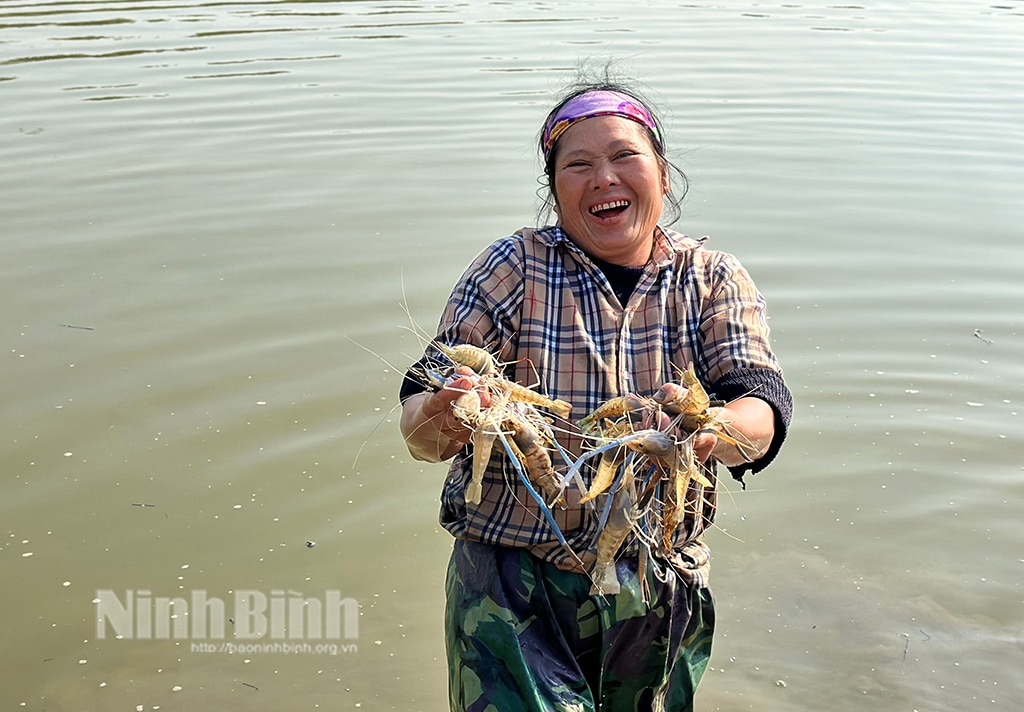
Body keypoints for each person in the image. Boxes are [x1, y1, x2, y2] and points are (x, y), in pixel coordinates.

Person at [399, 80, 793, 712]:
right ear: (554, 189)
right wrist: (448, 408)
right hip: (510, 582)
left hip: (659, 580)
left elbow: (762, 408)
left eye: (624, 157)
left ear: (663, 174)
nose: (603, 178)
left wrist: (710, 428)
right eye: (577, 165)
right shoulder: (513, 268)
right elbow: (417, 423)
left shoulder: (712, 279)